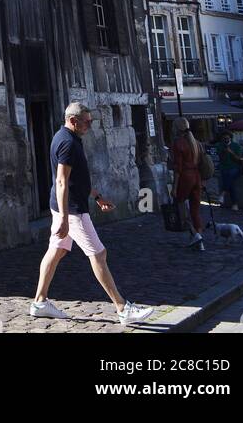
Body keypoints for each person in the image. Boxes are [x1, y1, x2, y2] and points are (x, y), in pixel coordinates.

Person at [31, 101, 154, 325]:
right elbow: (62, 181)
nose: (90, 125)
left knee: (56, 251)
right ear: (72, 120)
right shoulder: (67, 143)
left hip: (65, 206)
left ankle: (39, 302)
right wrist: (66, 217)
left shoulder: (68, 138)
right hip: (72, 209)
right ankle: (122, 308)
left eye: (91, 121)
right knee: (98, 254)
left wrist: (97, 197)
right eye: (86, 122)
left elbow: (78, 178)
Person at [170, 116, 203, 247]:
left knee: (179, 206)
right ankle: (199, 239)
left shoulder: (179, 143)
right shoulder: (196, 142)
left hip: (185, 177)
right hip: (196, 176)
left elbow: (178, 167)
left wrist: (174, 187)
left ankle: (194, 233)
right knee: (195, 210)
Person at [216, 133, 243, 209]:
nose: (226, 140)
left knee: (230, 175)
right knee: (230, 183)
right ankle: (234, 204)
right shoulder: (219, 145)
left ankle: (223, 193)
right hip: (224, 167)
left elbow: (239, 159)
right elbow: (220, 157)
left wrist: (230, 152)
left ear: (230, 138)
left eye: (227, 138)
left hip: (235, 167)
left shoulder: (236, 146)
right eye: (224, 138)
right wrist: (223, 151)